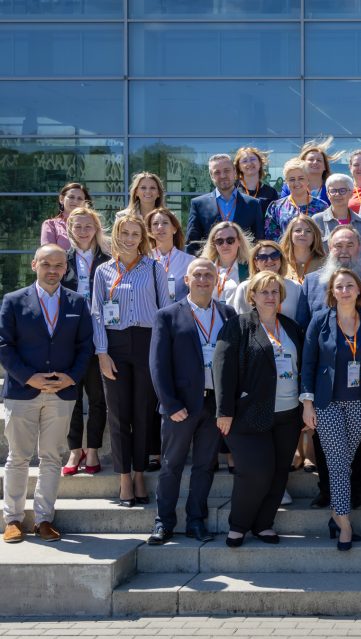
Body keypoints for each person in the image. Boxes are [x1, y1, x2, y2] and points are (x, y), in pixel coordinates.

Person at [0, 245, 93, 543]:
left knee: (52, 458)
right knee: (17, 458)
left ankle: (44, 519)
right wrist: (30, 377)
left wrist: (71, 378)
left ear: (65, 269)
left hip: (61, 393)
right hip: (22, 391)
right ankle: (13, 519)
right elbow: (4, 346)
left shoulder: (77, 303)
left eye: (58, 265)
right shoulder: (13, 301)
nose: (52, 270)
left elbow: (85, 346)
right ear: (34, 265)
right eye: (46, 264)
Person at [147, 259, 238, 545]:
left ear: (216, 280)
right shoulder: (168, 315)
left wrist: (228, 406)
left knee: (204, 466)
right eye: (197, 275)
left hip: (214, 406)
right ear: (187, 279)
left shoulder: (228, 313)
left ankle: (196, 521)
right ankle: (164, 522)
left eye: (208, 275)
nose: (202, 280)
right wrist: (170, 404)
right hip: (180, 407)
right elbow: (158, 365)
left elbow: (234, 362)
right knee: (171, 465)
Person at [213, 271, 304, 547]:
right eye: (264, 291)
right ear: (251, 295)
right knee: (256, 471)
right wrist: (224, 410)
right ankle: (239, 525)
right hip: (248, 415)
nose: (270, 296)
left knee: (278, 473)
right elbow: (223, 368)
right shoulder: (238, 326)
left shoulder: (290, 327)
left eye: (275, 292)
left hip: (288, 414)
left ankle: (264, 524)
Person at [91, 215, 172, 506]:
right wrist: (102, 353)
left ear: (143, 238)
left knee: (143, 413)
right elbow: (97, 313)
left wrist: (162, 354)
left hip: (147, 343)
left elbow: (165, 313)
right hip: (114, 346)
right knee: (118, 415)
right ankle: (124, 476)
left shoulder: (153, 268)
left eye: (135, 234)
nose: (129, 238)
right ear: (115, 235)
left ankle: (139, 473)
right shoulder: (103, 271)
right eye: (124, 232)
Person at [300, 268, 361, 551]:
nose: (344, 291)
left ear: (358, 291)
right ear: (332, 293)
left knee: (343, 463)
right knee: (336, 464)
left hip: (358, 401)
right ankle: (345, 524)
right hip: (327, 402)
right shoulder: (320, 321)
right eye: (339, 287)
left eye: (349, 286)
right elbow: (308, 363)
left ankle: (336, 515)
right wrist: (307, 403)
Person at [59, 207, 109, 476]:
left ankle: (93, 450)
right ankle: (74, 449)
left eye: (88, 225)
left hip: (99, 334)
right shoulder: (62, 258)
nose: (82, 231)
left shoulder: (108, 259)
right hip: (69, 337)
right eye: (77, 226)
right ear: (69, 229)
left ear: (96, 228)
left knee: (98, 396)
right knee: (72, 395)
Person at [296, 225, 361, 329]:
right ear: (330, 248)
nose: (344, 251)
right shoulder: (310, 282)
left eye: (350, 245)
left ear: (359, 248)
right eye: (338, 246)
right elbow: (301, 327)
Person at [184, 154, 264, 255]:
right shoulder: (198, 204)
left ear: (234, 172)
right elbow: (192, 243)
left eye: (227, 170)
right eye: (217, 172)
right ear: (211, 176)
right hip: (211, 267)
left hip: (244, 267)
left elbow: (259, 241)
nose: (222, 175)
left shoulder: (253, 204)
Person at [231, 240, 302, 320]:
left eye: (274, 255)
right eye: (263, 257)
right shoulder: (245, 288)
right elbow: (240, 321)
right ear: (256, 263)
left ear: (281, 259)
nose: (269, 260)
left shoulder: (296, 287)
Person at [265, 157, 329, 242]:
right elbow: (271, 239)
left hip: (315, 254)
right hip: (285, 254)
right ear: (286, 182)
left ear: (308, 180)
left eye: (301, 178)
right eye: (292, 179)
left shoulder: (322, 207)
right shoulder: (276, 207)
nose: (296, 183)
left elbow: (327, 237)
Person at [147, 208, 194, 302]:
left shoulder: (189, 261)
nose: (160, 227)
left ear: (174, 229)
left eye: (165, 223)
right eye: (155, 224)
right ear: (150, 231)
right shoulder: (143, 259)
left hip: (177, 314)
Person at [201, 221, 252, 305]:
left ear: (239, 241)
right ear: (214, 244)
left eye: (230, 240)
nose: (225, 245)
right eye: (219, 241)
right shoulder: (205, 268)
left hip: (238, 317)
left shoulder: (250, 268)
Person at [278, 137, 338, 204]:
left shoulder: (333, 188)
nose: (315, 162)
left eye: (319, 160)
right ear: (302, 164)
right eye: (311, 159)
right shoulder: (289, 187)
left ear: (325, 167)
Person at [312, 174, 361, 244]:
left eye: (342, 190)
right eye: (333, 191)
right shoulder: (317, 220)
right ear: (328, 194)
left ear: (351, 193)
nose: (337, 194)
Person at [40, 182, 90, 250]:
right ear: (61, 199)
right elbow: (49, 256)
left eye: (80, 198)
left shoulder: (92, 226)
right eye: (71, 197)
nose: (75, 201)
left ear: (85, 203)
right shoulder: (51, 225)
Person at [280, 215, 325, 285]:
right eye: (298, 230)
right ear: (290, 234)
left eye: (308, 231)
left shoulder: (325, 263)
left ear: (314, 236)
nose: (303, 234)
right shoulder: (280, 262)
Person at [234, 146, 279, 215]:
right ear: (239, 167)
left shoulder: (271, 192)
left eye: (252, 159)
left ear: (260, 163)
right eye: (244, 161)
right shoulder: (232, 190)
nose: (249, 163)